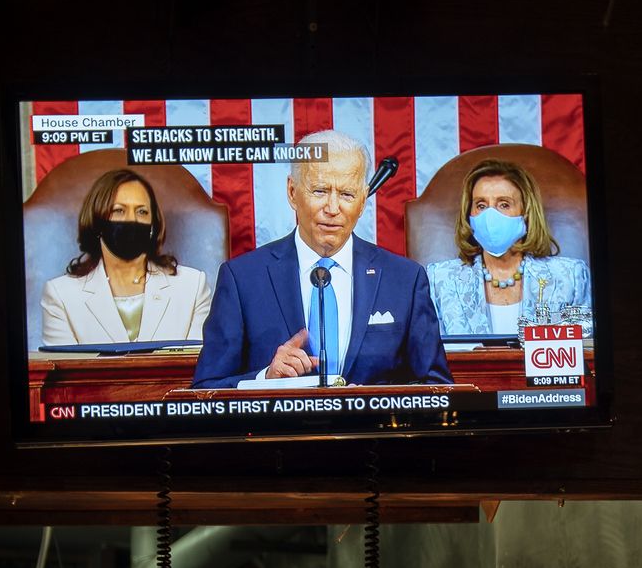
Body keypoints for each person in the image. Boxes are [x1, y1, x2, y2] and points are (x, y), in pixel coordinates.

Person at [192, 130, 452, 388]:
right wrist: (265, 379)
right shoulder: (243, 279)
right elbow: (205, 390)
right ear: (292, 192)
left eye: (347, 195)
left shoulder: (405, 280)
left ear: (362, 202)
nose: (332, 208)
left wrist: (372, 403)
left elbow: (437, 386)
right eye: (319, 191)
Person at [40, 169, 214, 345]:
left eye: (142, 212)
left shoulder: (192, 287)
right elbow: (68, 371)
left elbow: (199, 366)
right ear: (97, 220)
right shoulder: (61, 295)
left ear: (153, 224)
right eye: (119, 210)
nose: (131, 220)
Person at [425, 158, 592, 337]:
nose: (490, 215)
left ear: (526, 212)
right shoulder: (439, 280)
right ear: (469, 214)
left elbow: (585, 353)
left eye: (504, 204)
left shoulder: (570, 277)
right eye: (481, 205)